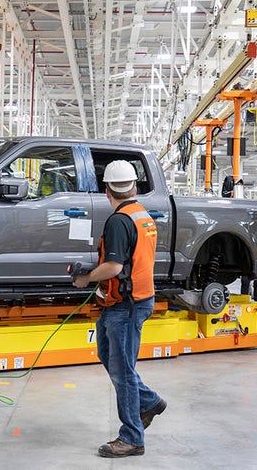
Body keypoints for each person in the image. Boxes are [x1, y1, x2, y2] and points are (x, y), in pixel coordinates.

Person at [71, 160, 166, 458]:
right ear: (134, 186)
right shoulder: (142, 215)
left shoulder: (118, 220)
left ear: (106, 190)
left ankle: (132, 438)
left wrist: (86, 277)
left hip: (126, 305)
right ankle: (149, 401)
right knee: (108, 356)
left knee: (122, 371)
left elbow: (114, 266)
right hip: (132, 299)